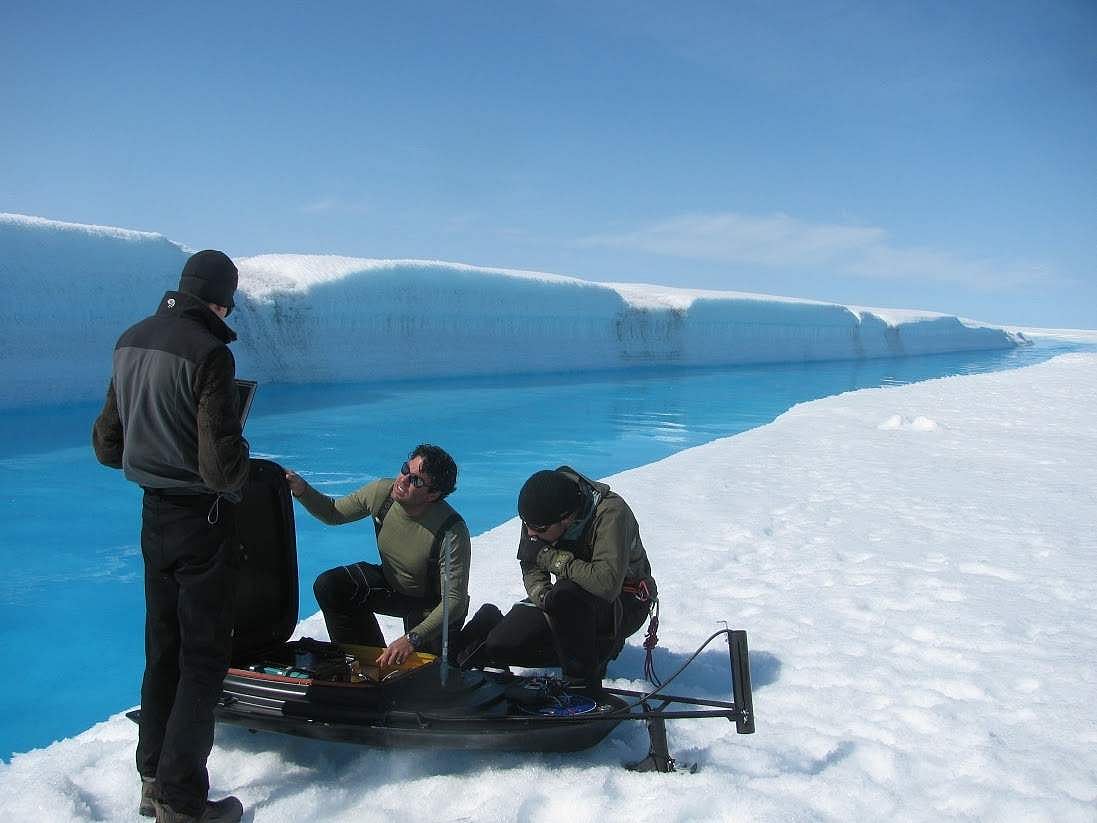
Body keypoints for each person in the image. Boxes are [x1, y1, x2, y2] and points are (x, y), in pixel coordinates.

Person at [92, 250, 249, 823]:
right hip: (199, 520)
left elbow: (108, 446)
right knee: (202, 659)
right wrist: (241, 447)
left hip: (152, 518)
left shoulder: (130, 339)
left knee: (161, 651)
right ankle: (182, 801)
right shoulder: (210, 354)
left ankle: (152, 777)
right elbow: (221, 470)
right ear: (220, 299)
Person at [285, 444, 471, 668]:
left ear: (433, 495)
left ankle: (481, 628)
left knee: (429, 679)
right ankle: (367, 664)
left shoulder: (452, 531)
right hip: (394, 588)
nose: (402, 480)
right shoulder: (382, 494)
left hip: (434, 607)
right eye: (405, 469)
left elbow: (454, 602)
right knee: (331, 586)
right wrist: (302, 489)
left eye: (416, 481)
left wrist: (412, 638)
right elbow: (333, 512)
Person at [474, 466, 657, 689]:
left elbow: (606, 584)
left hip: (624, 601)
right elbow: (532, 565)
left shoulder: (611, 514)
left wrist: (551, 558)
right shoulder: (540, 511)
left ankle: (582, 681)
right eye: (526, 525)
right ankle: (578, 645)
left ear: (567, 519)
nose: (531, 534)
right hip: (567, 599)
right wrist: (544, 597)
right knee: (501, 644)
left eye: (539, 529)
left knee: (567, 594)